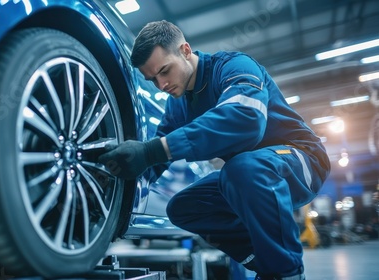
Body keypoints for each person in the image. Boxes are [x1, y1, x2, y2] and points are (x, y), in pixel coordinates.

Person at [99, 20, 330, 280]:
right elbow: (151, 161)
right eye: (152, 79)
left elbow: (247, 119)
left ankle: (287, 272)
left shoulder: (234, 66)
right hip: (249, 174)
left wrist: (153, 151)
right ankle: (265, 263)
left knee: (241, 168)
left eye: (164, 71)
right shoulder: (177, 107)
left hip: (303, 159)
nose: (161, 85)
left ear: (185, 50)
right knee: (184, 207)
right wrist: (111, 181)